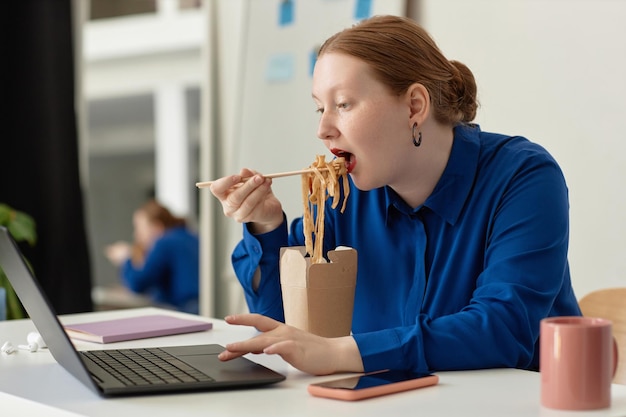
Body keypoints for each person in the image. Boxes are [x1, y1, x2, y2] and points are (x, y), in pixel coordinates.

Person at [209, 15, 581, 376]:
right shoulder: (339, 194)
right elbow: (283, 330)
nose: (323, 129)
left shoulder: (524, 177)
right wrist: (265, 223)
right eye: (320, 108)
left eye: (343, 104)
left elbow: (502, 329)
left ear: (414, 106)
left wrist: (344, 352)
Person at [105, 199, 200, 314]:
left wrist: (125, 259)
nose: (136, 235)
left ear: (157, 227)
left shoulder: (164, 242)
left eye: (139, 228)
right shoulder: (189, 236)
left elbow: (138, 284)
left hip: (187, 309)